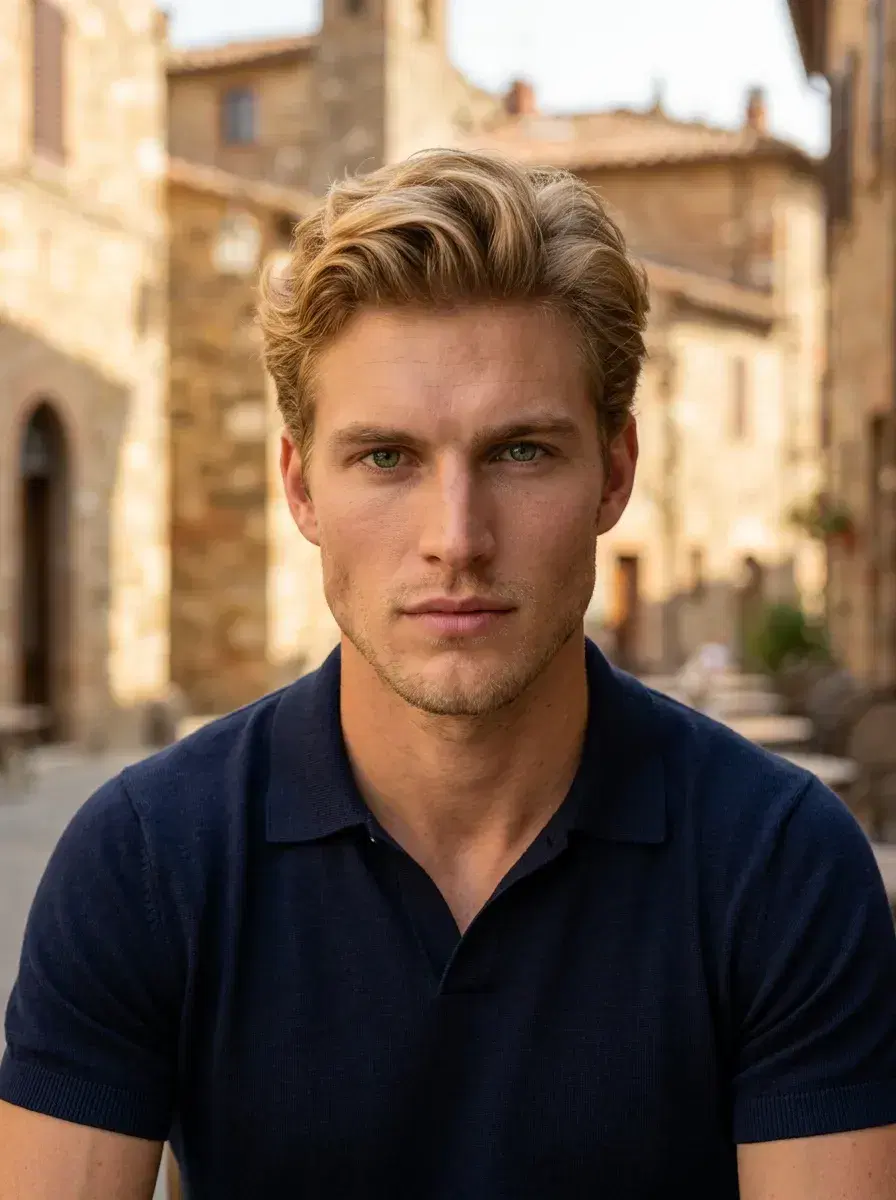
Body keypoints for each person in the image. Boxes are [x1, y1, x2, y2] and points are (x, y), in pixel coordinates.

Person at [1, 149, 895, 1200]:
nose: (455, 539)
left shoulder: (779, 868)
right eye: (386, 458)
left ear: (615, 471)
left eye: (520, 452)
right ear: (300, 488)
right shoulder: (145, 862)